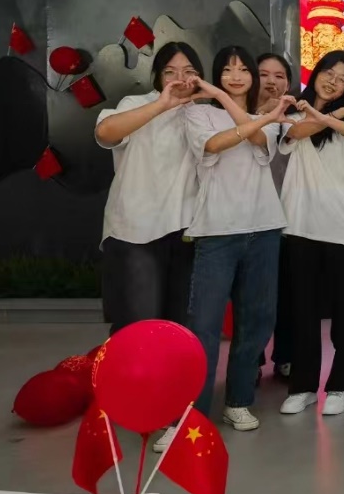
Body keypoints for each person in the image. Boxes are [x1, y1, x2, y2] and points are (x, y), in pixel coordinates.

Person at [179, 47, 291, 444]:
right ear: (216, 75)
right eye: (227, 70)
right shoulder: (198, 114)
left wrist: (228, 100)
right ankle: (190, 415)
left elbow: (258, 138)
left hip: (264, 228)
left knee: (256, 321)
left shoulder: (270, 118)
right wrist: (220, 100)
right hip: (216, 231)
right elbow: (215, 144)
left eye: (244, 69)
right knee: (204, 326)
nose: (237, 76)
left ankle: (239, 400)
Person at [278, 50, 344, 417]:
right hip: (300, 223)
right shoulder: (292, 111)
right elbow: (297, 132)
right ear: (316, 72)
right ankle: (303, 386)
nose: (333, 82)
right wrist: (338, 114)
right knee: (303, 310)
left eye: (343, 79)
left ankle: (342, 385)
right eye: (329, 73)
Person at [94, 42, 202, 334]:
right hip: (135, 230)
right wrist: (162, 105)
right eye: (170, 72)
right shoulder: (136, 103)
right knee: (138, 325)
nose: (180, 78)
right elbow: (105, 132)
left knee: (179, 327)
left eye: (188, 71)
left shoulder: (203, 114)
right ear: (157, 76)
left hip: (186, 229)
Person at [257, 52, 295, 379]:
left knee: (288, 293)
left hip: (288, 217)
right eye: (264, 74)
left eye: (279, 76)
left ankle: (285, 356)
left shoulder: (295, 119)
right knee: (252, 295)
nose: (272, 81)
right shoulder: (233, 115)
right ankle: (252, 360)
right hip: (249, 218)